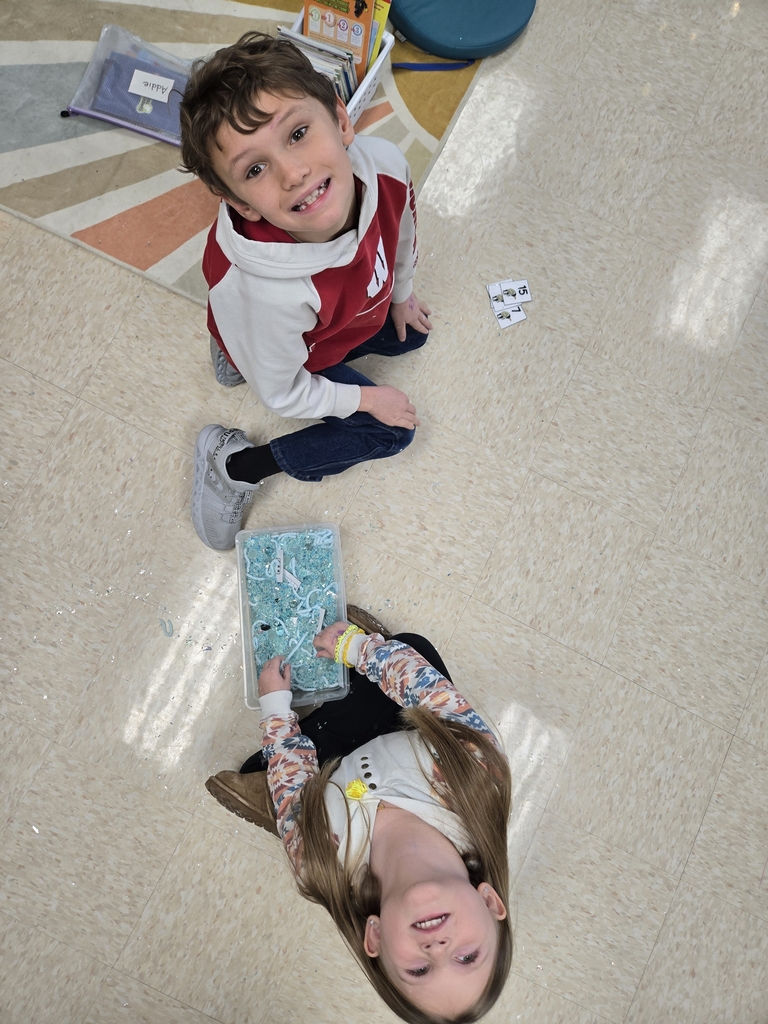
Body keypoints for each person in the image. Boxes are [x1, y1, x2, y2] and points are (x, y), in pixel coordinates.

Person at [179, 33, 432, 551]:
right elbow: (284, 394)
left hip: (319, 324)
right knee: (391, 431)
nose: (293, 173)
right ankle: (235, 465)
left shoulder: (384, 164)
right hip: (280, 338)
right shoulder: (266, 295)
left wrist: (400, 292)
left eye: (297, 133)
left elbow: (401, 227)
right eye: (255, 169)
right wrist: (366, 397)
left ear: (341, 121)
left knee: (411, 336)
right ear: (240, 203)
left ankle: (242, 353)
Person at [206, 608, 512, 1023]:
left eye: (418, 971)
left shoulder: (321, 863)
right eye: (467, 956)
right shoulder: (479, 779)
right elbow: (429, 692)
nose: (438, 950)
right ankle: (366, 665)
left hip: (338, 786)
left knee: (271, 776)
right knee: (415, 651)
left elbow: (293, 783)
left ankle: (273, 806)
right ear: (490, 901)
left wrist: (276, 707)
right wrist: (356, 648)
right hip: (399, 733)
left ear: (375, 936)